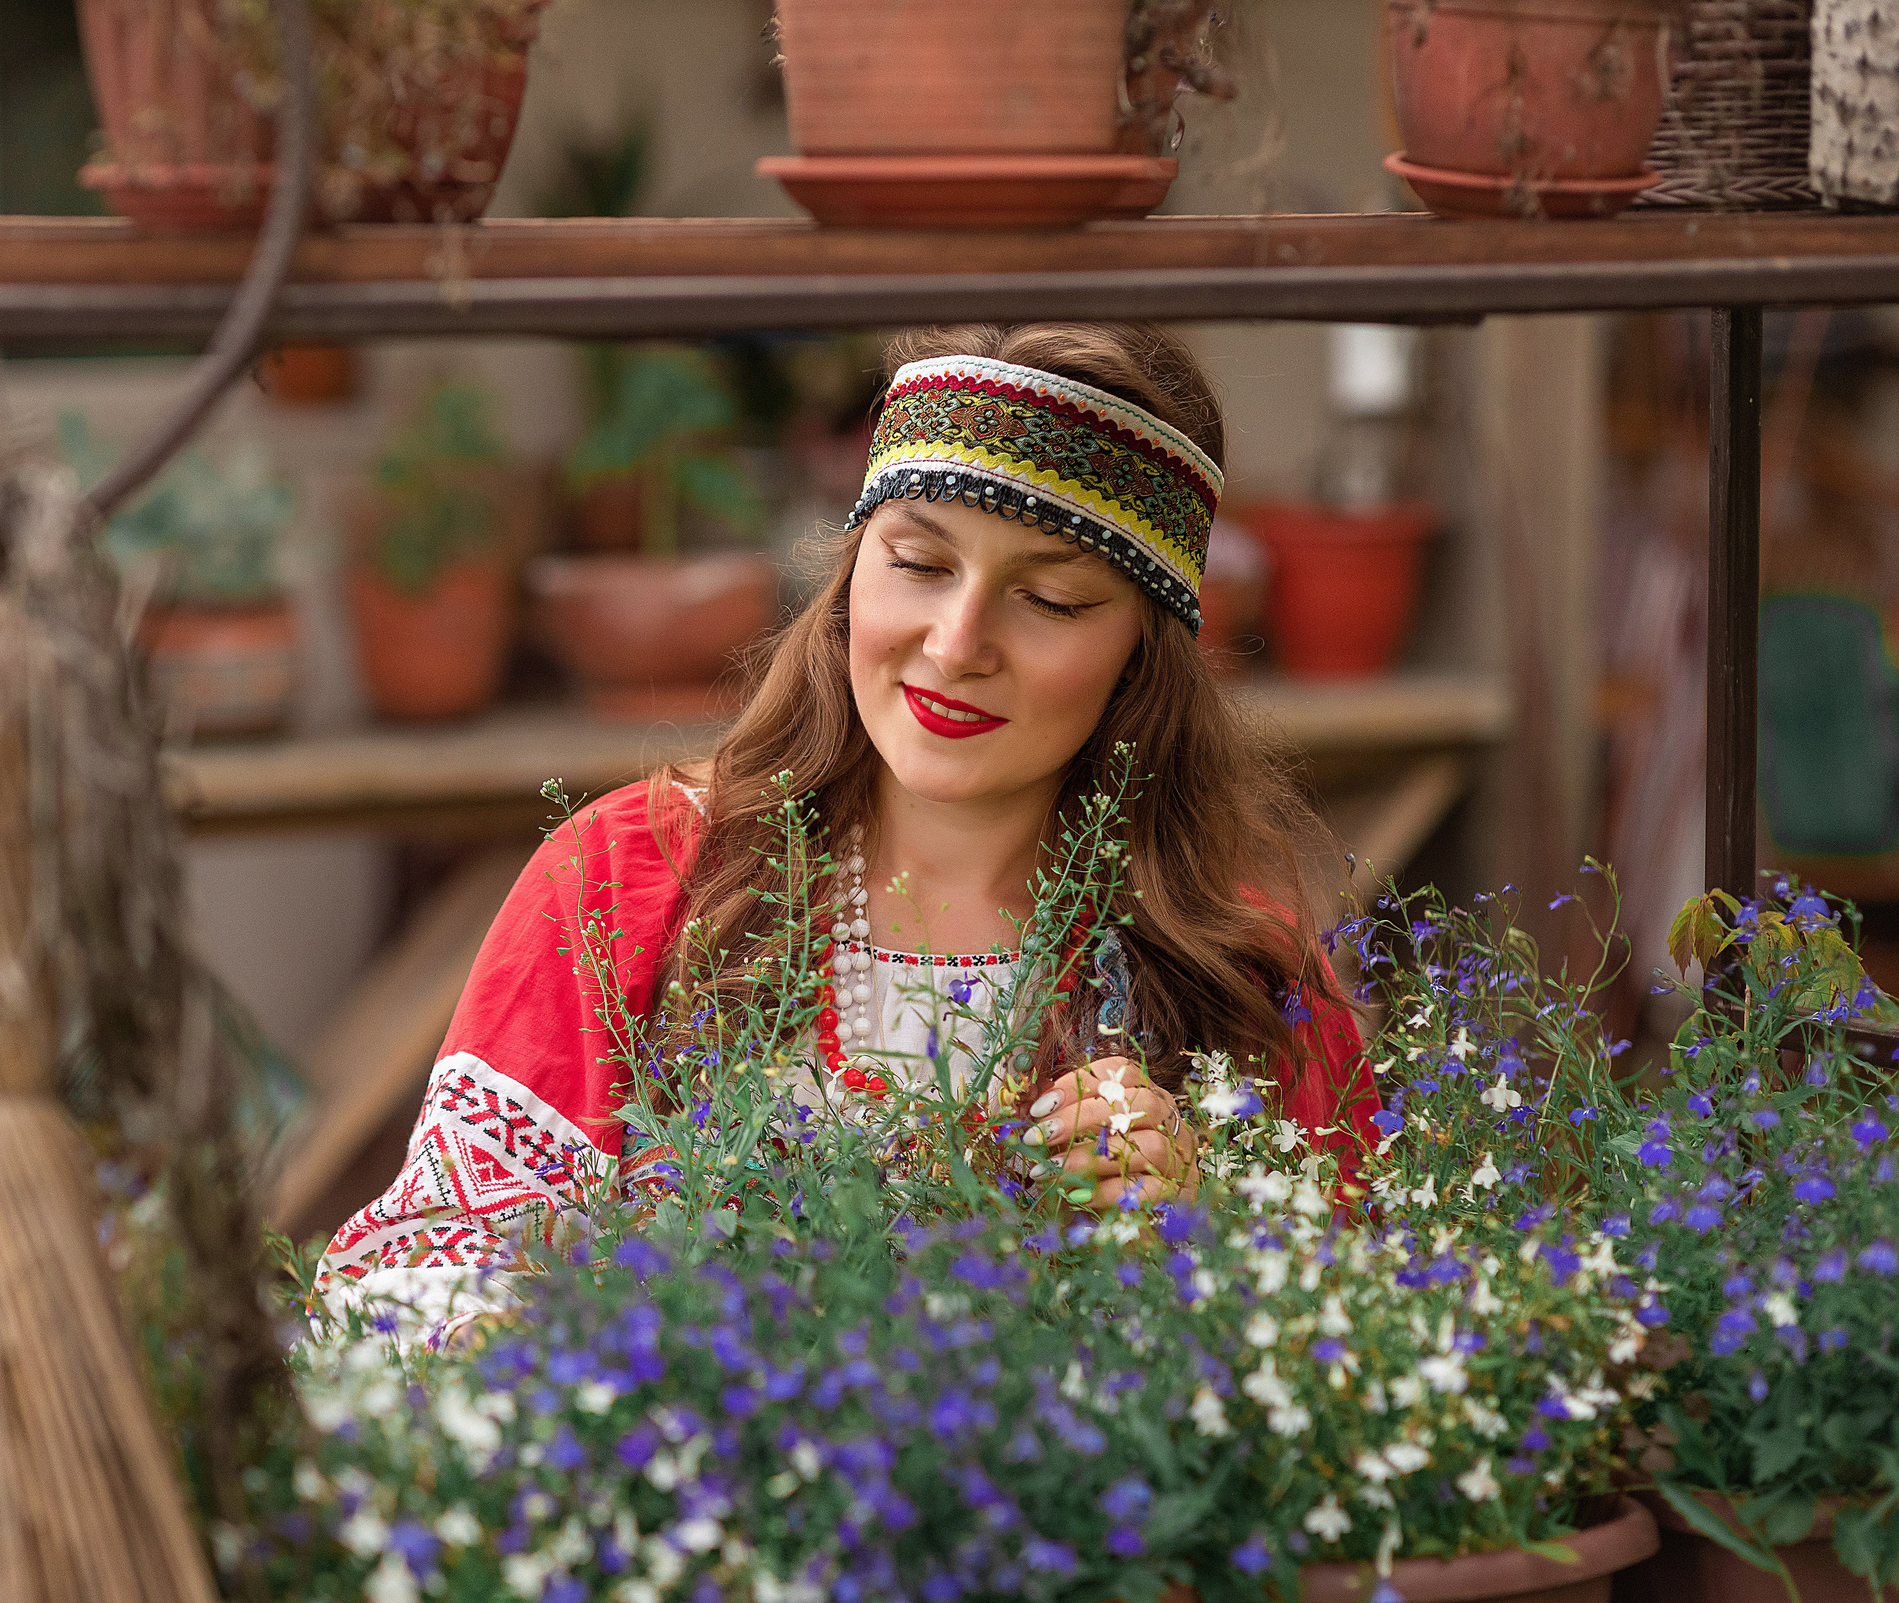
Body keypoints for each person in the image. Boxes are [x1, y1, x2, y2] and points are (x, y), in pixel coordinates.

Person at [315, 322, 1378, 1341]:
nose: (956, 642)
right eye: (917, 563)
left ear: (1144, 662)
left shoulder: (1244, 977)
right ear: (846, 577)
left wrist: (1204, 1231)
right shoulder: (629, 878)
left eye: (1050, 600)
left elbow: (1365, 1361)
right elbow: (412, 1285)